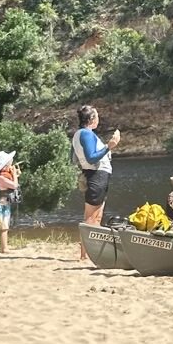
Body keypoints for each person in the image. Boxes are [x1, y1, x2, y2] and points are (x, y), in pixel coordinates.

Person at [71, 104, 119, 260]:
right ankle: (87, 255)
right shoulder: (86, 134)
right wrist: (109, 146)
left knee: (94, 217)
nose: (99, 118)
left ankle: (88, 253)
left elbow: (75, 158)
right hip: (96, 176)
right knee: (92, 218)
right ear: (91, 119)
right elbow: (91, 157)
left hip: (96, 176)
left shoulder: (81, 134)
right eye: (97, 116)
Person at [0, 151, 21, 254]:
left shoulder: (2, 176)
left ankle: (3, 247)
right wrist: (15, 175)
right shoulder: (0, 178)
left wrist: (15, 175)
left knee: (5, 226)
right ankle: (4, 248)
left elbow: (11, 184)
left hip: (5, 203)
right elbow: (15, 185)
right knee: (3, 227)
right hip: (2, 204)